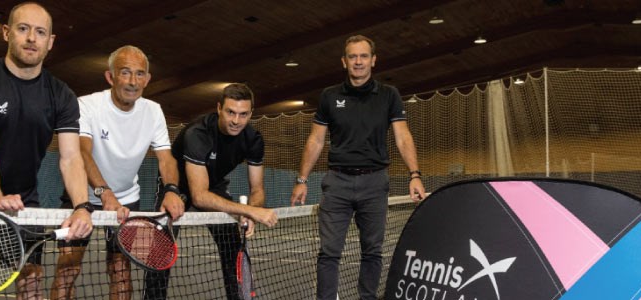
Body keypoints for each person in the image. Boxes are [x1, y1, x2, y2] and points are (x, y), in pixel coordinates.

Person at [0, 2, 93, 299]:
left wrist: (81, 206)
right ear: (7, 33)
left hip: (24, 196)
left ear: (50, 42)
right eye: (23, 29)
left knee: (31, 279)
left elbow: (71, 158)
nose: (31, 38)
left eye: (40, 32)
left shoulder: (62, 95)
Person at [290, 35, 427, 300]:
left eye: (364, 56)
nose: (358, 62)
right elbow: (316, 140)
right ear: (344, 62)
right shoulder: (329, 97)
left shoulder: (389, 95)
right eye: (353, 57)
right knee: (328, 253)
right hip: (337, 184)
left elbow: (403, 136)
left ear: (373, 60)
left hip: (374, 184)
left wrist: (415, 175)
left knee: (372, 252)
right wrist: (302, 180)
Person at [50, 45, 186, 300]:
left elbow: (166, 158)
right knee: (68, 267)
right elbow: (82, 153)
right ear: (110, 77)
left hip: (127, 199)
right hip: (82, 197)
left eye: (139, 74)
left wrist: (171, 190)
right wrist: (103, 193)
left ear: (147, 79)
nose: (133, 82)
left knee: (120, 269)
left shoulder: (153, 111)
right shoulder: (87, 105)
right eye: (125, 73)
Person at [144, 83, 278, 300]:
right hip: (177, 187)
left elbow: (257, 189)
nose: (236, 120)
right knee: (161, 251)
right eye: (230, 112)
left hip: (213, 185)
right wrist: (247, 210)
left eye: (243, 114)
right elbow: (199, 196)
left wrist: (252, 211)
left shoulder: (253, 140)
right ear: (219, 108)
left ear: (251, 114)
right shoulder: (198, 133)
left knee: (232, 246)